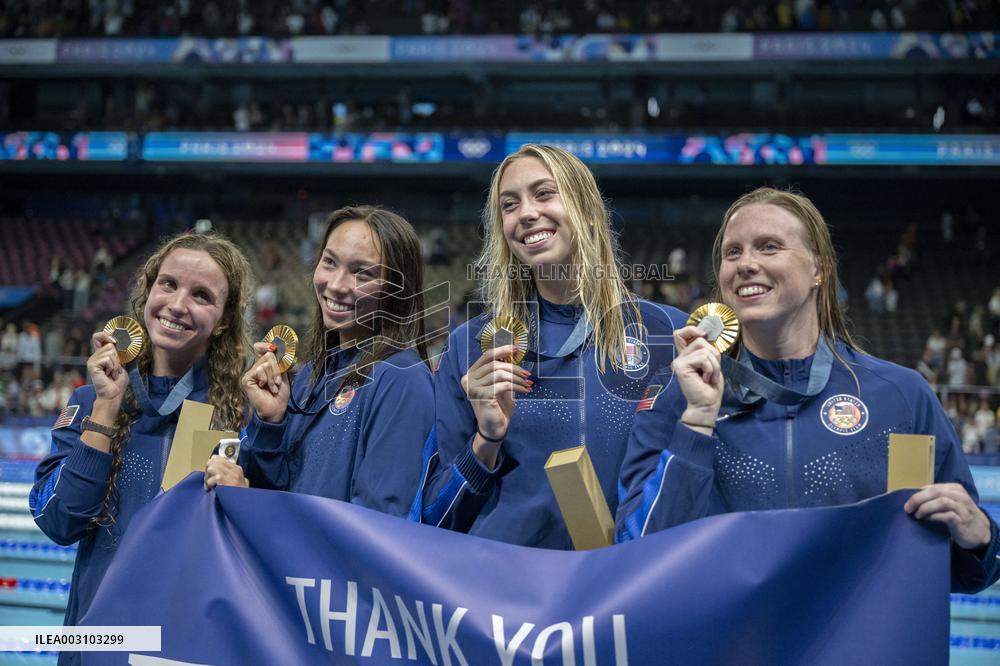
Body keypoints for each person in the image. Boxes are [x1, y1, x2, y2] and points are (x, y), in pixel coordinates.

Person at [616, 187, 1000, 593]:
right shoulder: (677, 395)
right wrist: (696, 423)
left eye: (769, 247)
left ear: (820, 268)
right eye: (732, 252)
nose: (746, 264)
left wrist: (981, 538)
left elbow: (957, 569)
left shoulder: (901, 397)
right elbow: (636, 556)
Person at [417, 144, 688, 549]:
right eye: (510, 205)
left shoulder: (668, 334)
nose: (526, 213)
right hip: (505, 583)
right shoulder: (471, 347)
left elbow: (690, 488)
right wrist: (485, 441)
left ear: (587, 209)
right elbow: (434, 522)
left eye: (544, 194)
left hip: (625, 581)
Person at [29, 232, 253, 649]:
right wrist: (106, 410)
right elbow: (59, 522)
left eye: (201, 295)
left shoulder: (242, 414)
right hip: (100, 639)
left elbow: (261, 550)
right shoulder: (91, 399)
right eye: (168, 284)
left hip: (185, 641)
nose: (178, 304)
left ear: (224, 320)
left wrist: (245, 500)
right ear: (148, 291)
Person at [206, 206, 433, 518]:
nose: (337, 285)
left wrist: (247, 503)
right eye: (330, 262)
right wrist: (271, 423)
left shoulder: (402, 380)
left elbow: (376, 527)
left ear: (397, 289)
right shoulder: (311, 375)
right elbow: (279, 487)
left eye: (363, 272)